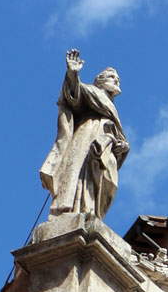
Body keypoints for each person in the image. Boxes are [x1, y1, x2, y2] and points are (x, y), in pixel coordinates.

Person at [40, 50, 129, 220]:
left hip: (107, 143)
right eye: (111, 77)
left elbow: (120, 137)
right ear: (100, 82)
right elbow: (74, 95)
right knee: (82, 173)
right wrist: (73, 74)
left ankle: (93, 211)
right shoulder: (92, 91)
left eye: (117, 78)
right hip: (88, 136)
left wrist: (122, 146)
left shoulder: (111, 108)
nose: (116, 80)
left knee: (109, 180)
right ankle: (80, 209)